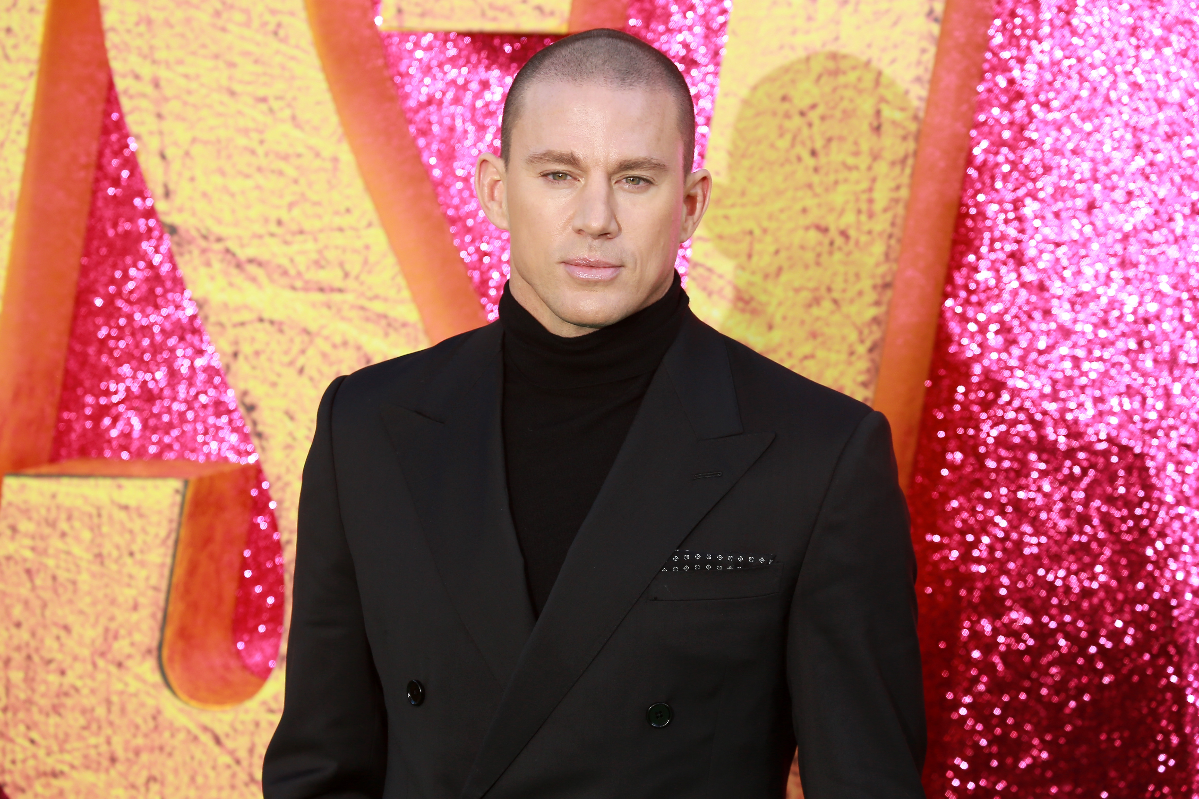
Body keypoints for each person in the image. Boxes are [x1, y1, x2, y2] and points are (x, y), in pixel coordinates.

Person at [263, 28, 925, 798]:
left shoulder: (819, 454)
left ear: (691, 202)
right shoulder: (367, 426)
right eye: (558, 173)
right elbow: (321, 765)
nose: (596, 218)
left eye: (636, 179)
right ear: (494, 189)